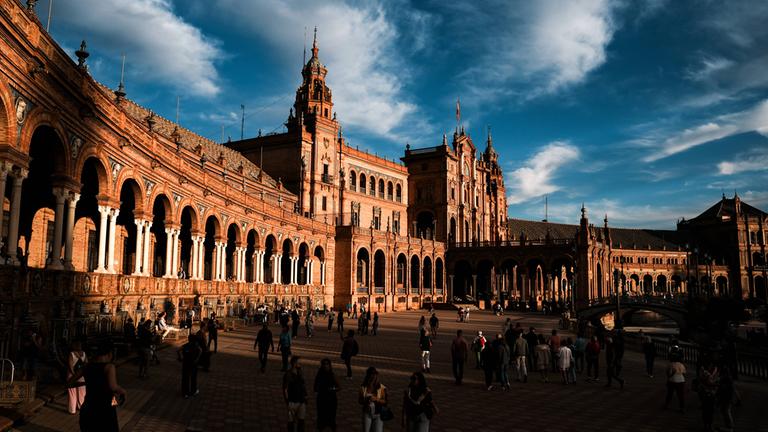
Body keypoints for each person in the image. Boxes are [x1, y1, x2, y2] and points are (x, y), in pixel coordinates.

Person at [76, 340, 126, 432]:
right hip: (104, 410)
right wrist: (123, 391)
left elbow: (69, 383)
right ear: (110, 353)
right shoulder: (109, 367)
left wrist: (86, 383)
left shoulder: (87, 366)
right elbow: (113, 387)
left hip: (88, 407)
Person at [314, 358, 340, 432]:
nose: (325, 366)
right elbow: (315, 387)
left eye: (327, 364)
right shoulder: (319, 375)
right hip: (321, 399)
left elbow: (339, 387)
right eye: (324, 364)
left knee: (331, 417)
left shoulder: (332, 375)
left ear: (329, 365)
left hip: (331, 399)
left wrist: (333, 389)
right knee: (321, 417)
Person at [283, 356, 308, 432]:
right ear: (294, 363)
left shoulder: (300, 372)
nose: (300, 364)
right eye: (299, 362)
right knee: (291, 422)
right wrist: (287, 402)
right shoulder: (288, 374)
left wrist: (306, 395)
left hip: (301, 400)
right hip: (292, 401)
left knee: (301, 421)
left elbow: (303, 385)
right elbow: (285, 389)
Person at [359, 367, 388, 432]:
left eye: (374, 375)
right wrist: (365, 401)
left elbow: (385, 402)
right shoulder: (363, 387)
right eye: (371, 375)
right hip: (367, 413)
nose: (372, 377)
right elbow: (360, 400)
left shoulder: (382, 388)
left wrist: (376, 399)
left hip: (378, 414)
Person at [67, 340, 87, 414]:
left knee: (72, 393)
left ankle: (72, 410)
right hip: (82, 377)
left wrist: (74, 375)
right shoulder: (84, 353)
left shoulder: (71, 354)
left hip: (72, 377)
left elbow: (70, 366)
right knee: (82, 393)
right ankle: (81, 407)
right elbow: (86, 364)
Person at [698, 360, 719, 431]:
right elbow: (709, 382)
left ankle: (707, 425)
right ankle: (708, 425)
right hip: (708, 395)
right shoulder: (706, 374)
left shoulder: (705, 373)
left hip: (708, 395)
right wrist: (716, 383)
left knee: (707, 411)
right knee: (708, 411)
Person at [717, 365, 735, 432]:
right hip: (725, 398)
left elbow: (727, 389)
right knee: (724, 411)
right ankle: (727, 425)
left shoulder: (727, 379)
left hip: (727, 398)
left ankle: (730, 426)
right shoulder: (725, 379)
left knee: (726, 411)